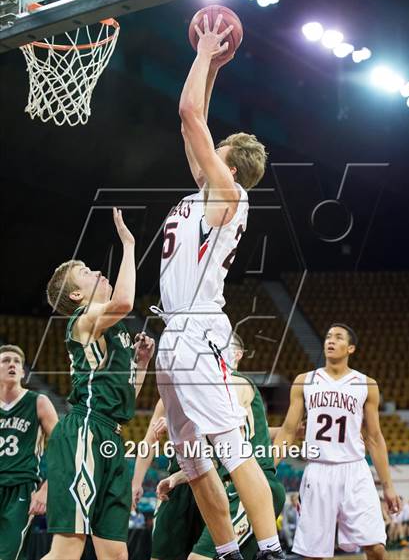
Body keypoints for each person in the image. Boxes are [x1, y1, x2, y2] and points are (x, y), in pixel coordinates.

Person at [154, 14, 283, 560]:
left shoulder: (225, 193)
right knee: (194, 462)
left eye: (215, 149)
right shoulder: (211, 188)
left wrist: (206, 50)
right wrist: (214, 68)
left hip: (200, 331)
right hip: (173, 334)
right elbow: (195, 120)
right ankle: (227, 552)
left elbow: (187, 115)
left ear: (227, 164)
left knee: (233, 451)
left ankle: (272, 549)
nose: (205, 150)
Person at [41, 209, 155, 560]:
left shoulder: (115, 332)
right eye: (87, 273)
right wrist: (129, 245)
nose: (98, 272)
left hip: (113, 435)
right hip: (85, 431)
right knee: (66, 551)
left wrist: (141, 364)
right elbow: (123, 301)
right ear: (76, 296)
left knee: (116, 555)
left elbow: (126, 397)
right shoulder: (82, 320)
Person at [134, 334, 285, 560]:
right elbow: (150, 442)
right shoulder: (178, 392)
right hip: (190, 480)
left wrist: (181, 421)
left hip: (235, 485)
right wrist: (137, 482)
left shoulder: (237, 382)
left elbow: (218, 418)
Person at [274, 323, 401, 560]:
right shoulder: (305, 381)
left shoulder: (366, 384)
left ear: (350, 348)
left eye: (338, 337)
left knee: (376, 547)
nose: (330, 340)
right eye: (328, 336)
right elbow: (289, 431)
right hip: (318, 471)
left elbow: (374, 438)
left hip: (355, 470)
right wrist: (268, 466)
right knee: (312, 555)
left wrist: (389, 486)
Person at [0, 343, 58, 560]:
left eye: (17, 362)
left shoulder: (39, 402)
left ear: (23, 372)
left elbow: (63, 448)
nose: (12, 364)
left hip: (21, 488)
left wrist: (45, 489)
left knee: (9, 554)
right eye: (6, 360)